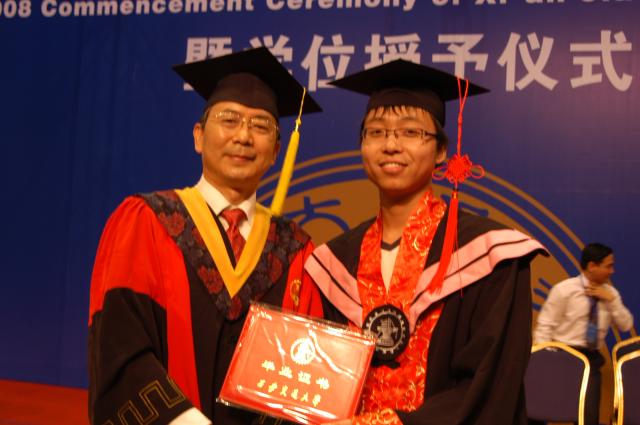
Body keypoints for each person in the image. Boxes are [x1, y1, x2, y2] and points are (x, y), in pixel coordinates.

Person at [87, 47, 323, 425]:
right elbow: (119, 347)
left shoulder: (295, 250)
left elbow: (303, 376)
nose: (243, 136)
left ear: (276, 151)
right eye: (229, 120)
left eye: (260, 126)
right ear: (199, 136)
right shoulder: (147, 222)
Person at [304, 60, 547, 424]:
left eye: (410, 132)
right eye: (376, 132)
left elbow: (491, 385)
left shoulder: (490, 255)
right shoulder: (335, 261)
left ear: (441, 150)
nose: (391, 145)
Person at [534, 242, 634, 425]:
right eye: (608, 266)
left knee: (588, 417)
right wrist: (546, 361)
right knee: (538, 411)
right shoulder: (564, 290)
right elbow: (544, 327)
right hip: (562, 356)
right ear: (592, 266)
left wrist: (612, 301)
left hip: (591, 359)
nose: (612, 271)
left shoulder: (611, 294)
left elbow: (626, 325)